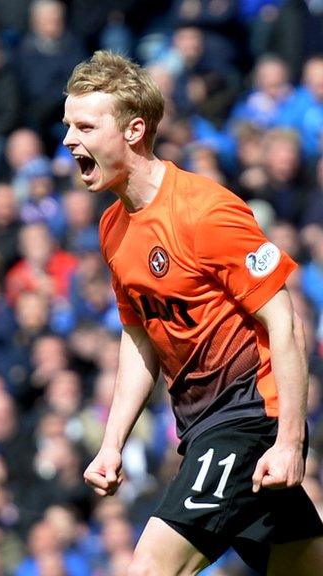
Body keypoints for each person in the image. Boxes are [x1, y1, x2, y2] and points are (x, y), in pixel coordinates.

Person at [66, 50, 323, 575]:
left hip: (248, 421)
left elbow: (286, 322)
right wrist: (112, 443)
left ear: (134, 130)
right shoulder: (113, 228)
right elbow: (140, 336)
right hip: (203, 426)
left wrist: (291, 440)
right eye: (68, 125)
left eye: (85, 126)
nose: (69, 140)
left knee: (151, 570)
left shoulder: (206, 210)